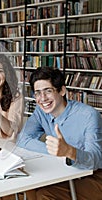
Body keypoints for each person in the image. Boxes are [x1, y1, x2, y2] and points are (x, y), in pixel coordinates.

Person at [16, 67, 102, 199]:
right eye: (38, 93)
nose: (42, 98)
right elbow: (22, 139)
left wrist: (69, 152)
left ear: (62, 90)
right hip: (63, 171)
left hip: (94, 176)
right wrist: (56, 152)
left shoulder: (89, 115)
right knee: (25, 189)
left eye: (48, 91)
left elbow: (95, 160)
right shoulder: (41, 112)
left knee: (44, 194)